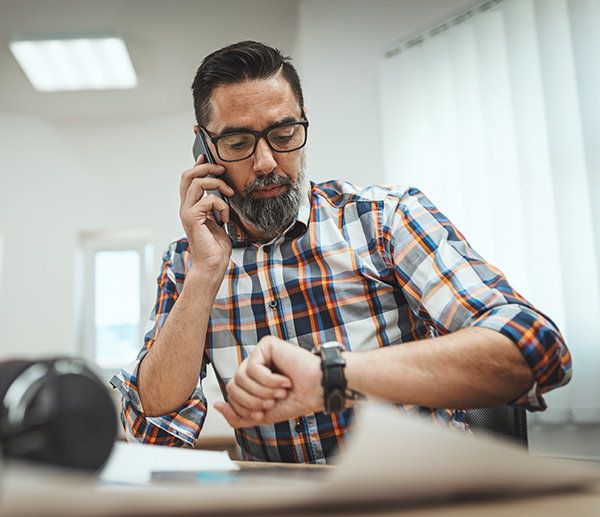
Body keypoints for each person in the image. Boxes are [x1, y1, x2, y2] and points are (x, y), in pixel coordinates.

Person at [110, 40, 571, 463]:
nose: (267, 162)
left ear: (302, 120)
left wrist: (333, 376)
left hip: (417, 496)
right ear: (203, 147)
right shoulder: (189, 261)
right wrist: (205, 275)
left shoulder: (384, 220)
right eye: (237, 143)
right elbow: (154, 434)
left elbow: (533, 350)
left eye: (284, 133)